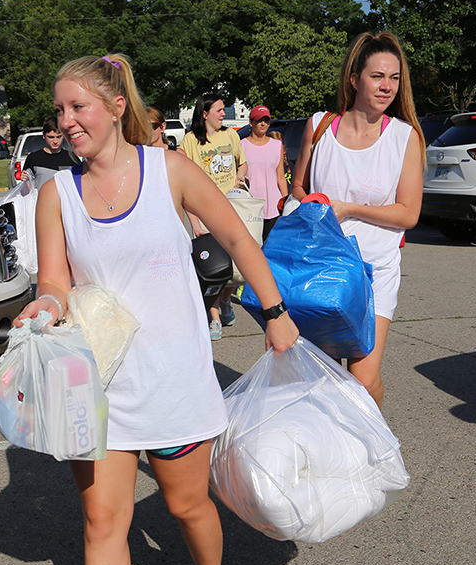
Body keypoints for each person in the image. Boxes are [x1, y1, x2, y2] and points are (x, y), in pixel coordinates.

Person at [14, 53, 298, 565]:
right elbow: (53, 278)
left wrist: (275, 310)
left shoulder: (167, 171)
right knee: (102, 524)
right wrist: (43, 308)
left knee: (186, 503)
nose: (66, 121)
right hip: (100, 390)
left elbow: (232, 232)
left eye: (77, 107)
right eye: (59, 111)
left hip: (172, 380)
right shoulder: (58, 194)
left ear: (115, 106)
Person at [291, 30, 425, 409]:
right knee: (323, 375)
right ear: (354, 79)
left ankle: (374, 454)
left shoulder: (405, 137)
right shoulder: (320, 127)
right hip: (324, 268)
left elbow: (408, 213)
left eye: (395, 78)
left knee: (363, 379)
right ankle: (333, 458)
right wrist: (310, 203)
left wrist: (349, 208)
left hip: (376, 271)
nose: (387, 87)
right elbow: (298, 188)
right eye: (377, 76)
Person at [182, 93, 247, 338]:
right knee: (214, 267)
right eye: (219, 110)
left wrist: (240, 177)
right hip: (205, 212)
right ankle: (214, 317)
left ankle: (226, 300)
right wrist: (195, 222)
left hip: (232, 207)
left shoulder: (230, 135)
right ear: (205, 113)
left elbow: (243, 162)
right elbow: (184, 185)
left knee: (236, 269)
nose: (223, 114)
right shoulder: (190, 141)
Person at [241, 105, 287, 241]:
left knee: (271, 247)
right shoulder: (242, 145)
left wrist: (286, 203)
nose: (263, 123)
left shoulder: (276, 145)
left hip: (273, 206)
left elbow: (281, 177)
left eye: (266, 120)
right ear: (251, 122)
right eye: (259, 120)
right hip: (251, 206)